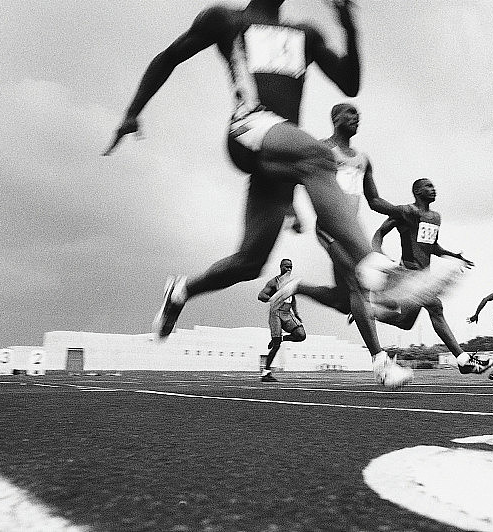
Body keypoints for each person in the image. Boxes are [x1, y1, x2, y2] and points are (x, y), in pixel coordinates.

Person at [103, 0, 430, 388]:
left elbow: (350, 83)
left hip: (281, 152)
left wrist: (349, 25)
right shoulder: (227, 20)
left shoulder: (305, 35)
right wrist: (132, 111)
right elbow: (169, 57)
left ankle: (182, 290)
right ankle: (375, 269)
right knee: (321, 157)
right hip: (248, 128)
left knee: (249, 262)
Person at [269, 102, 419, 386]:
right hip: (328, 227)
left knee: (342, 301)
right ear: (335, 118)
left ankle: (296, 286)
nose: (356, 118)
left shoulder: (363, 159)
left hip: (353, 231)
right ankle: (381, 363)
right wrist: (291, 211)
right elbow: (291, 178)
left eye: (359, 116)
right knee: (358, 284)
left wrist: (400, 210)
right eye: (350, 114)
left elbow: (374, 201)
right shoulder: (321, 150)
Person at [370, 178, 492, 374]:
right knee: (436, 306)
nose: (433, 189)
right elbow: (379, 233)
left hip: (424, 276)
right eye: (428, 186)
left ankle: (368, 312)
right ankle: (463, 359)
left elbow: (432, 246)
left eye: (434, 186)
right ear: (417, 192)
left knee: (405, 322)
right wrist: (378, 256)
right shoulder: (407, 213)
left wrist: (454, 256)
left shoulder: (435, 217)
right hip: (408, 273)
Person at [257, 259, 306, 382]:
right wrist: (273, 298)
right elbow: (261, 295)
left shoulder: (290, 283)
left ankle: (282, 338)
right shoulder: (274, 282)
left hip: (287, 313)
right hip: (276, 313)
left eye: (290, 267)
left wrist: (297, 314)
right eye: (286, 267)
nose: (288, 269)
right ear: (281, 267)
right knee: (276, 345)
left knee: (301, 335)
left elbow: (293, 299)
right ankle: (266, 372)